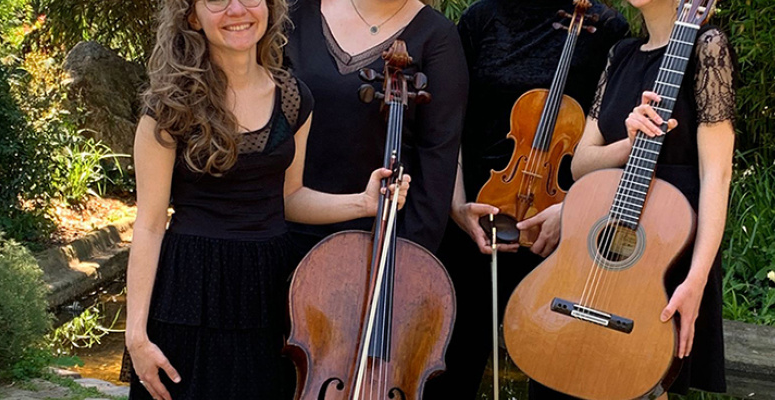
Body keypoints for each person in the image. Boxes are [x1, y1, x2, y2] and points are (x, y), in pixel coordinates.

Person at [123, 0, 409, 398]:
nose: (237, 10)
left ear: (271, 9)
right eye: (217, 1)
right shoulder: (169, 107)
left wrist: (363, 203)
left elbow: (289, 198)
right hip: (192, 292)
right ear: (192, 16)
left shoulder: (295, 99)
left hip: (270, 292)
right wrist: (135, 335)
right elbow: (150, 223)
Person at [424, 1, 628, 399]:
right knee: (452, 365)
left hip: (557, 230)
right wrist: (458, 207)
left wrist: (571, 211)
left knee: (555, 368)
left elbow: (610, 140)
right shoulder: (482, 19)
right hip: (476, 220)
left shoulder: (607, 28)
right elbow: (448, 122)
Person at [569, 0, 736, 396]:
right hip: (605, 243)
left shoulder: (707, 47)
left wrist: (696, 281)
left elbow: (717, 173)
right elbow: (580, 166)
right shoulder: (620, 54)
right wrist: (628, 143)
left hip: (668, 250)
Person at [284, 0, 467, 257]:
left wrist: (406, 261)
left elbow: (436, 161)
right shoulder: (294, 14)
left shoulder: (438, 37)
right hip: (282, 229)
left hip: (376, 243)